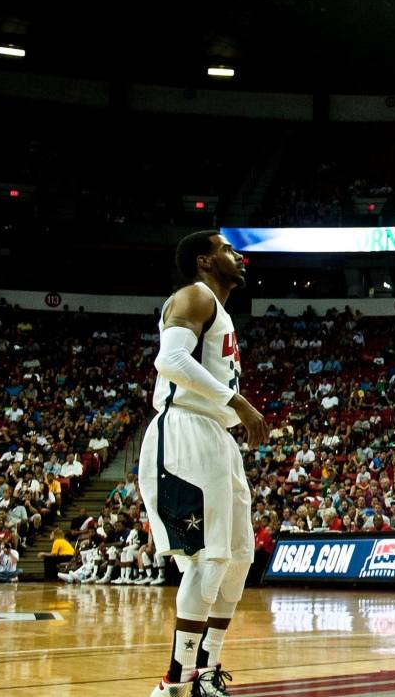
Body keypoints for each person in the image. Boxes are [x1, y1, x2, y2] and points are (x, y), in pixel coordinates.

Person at [140, 230, 267, 697]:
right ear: (204, 261)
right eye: (227, 250)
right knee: (206, 560)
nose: (239, 256)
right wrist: (239, 402)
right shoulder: (193, 295)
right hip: (185, 431)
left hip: (215, 435)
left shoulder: (221, 310)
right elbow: (170, 360)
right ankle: (176, 680)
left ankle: (208, 668)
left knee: (237, 558)